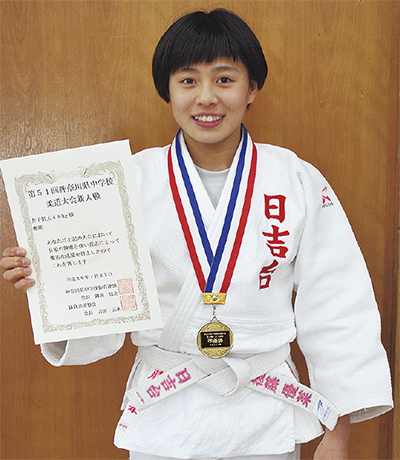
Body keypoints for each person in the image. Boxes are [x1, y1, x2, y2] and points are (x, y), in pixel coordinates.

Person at [1, 8, 393, 460]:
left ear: (252, 88)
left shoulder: (295, 179)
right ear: (167, 90)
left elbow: (338, 306)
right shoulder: (126, 182)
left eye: (224, 79)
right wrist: (49, 278)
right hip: (165, 415)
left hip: (265, 416)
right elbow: (100, 298)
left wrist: (337, 434)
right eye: (188, 80)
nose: (206, 97)